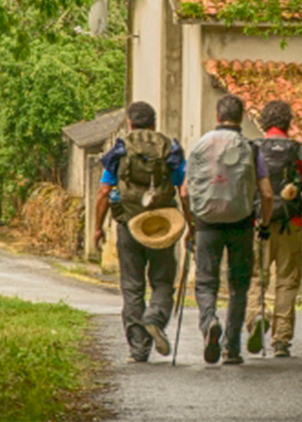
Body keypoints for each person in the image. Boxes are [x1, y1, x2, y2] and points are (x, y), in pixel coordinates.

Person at [93, 101, 187, 363]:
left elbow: (103, 192)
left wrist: (97, 228)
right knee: (162, 282)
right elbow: (183, 188)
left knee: (132, 287)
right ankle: (155, 317)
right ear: (154, 124)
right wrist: (190, 223)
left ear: (130, 124)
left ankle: (138, 349)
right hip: (162, 225)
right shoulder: (169, 148)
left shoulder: (121, 149)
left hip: (129, 225)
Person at [184, 94, 275, 365]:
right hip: (241, 223)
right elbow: (267, 194)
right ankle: (231, 348)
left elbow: (185, 190)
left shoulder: (200, 146)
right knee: (238, 285)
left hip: (206, 223)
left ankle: (210, 322)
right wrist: (265, 224)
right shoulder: (251, 148)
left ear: (217, 116)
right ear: (242, 117)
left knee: (205, 282)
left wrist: (191, 222)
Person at [244, 100, 302, 358]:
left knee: (257, 276)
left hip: (258, 222)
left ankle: (255, 317)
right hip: (292, 223)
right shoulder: (300, 152)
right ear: (289, 122)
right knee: (287, 281)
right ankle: (281, 340)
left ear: (264, 122)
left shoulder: (253, 149)